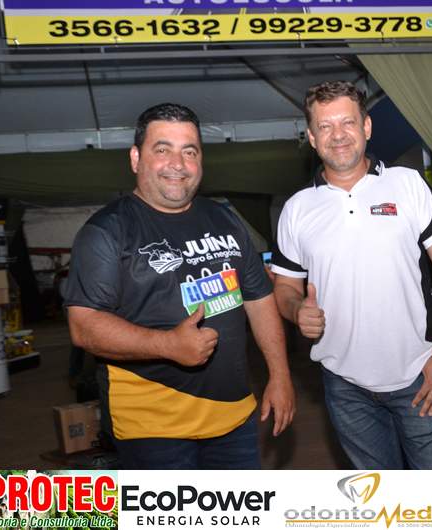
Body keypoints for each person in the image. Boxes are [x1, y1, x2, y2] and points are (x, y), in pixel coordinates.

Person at [64, 102, 295, 469]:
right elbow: (84, 326)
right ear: (136, 158)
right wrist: (168, 345)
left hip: (235, 417)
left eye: (190, 151)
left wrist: (280, 376)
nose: (178, 163)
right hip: (153, 428)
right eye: (163, 149)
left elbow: (259, 298)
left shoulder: (225, 219)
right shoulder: (106, 231)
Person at [271, 81, 432, 469]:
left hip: (420, 374)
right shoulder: (296, 209)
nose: (338, 135)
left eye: (347, 122)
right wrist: (295, 310)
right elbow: (285, 287)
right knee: (378, 497)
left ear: (366, 127)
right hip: (345, 386)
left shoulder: (407, 184)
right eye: (325, 126)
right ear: (312, 137)